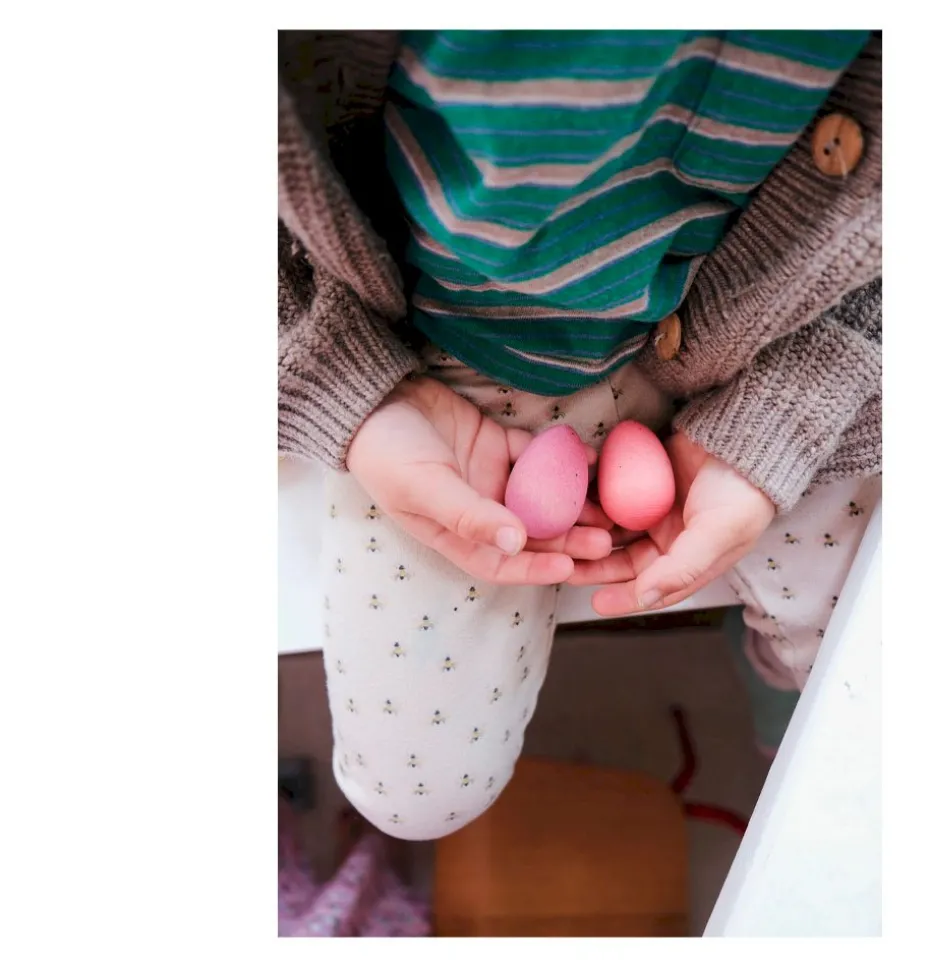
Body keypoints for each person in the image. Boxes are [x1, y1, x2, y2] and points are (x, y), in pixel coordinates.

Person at [279, 29, 881, 840]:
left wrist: (783, 416)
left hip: (779, 340)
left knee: (862, 691)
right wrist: (347, 388)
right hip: (438, 360)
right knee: (413, 795)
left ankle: (777, 684)